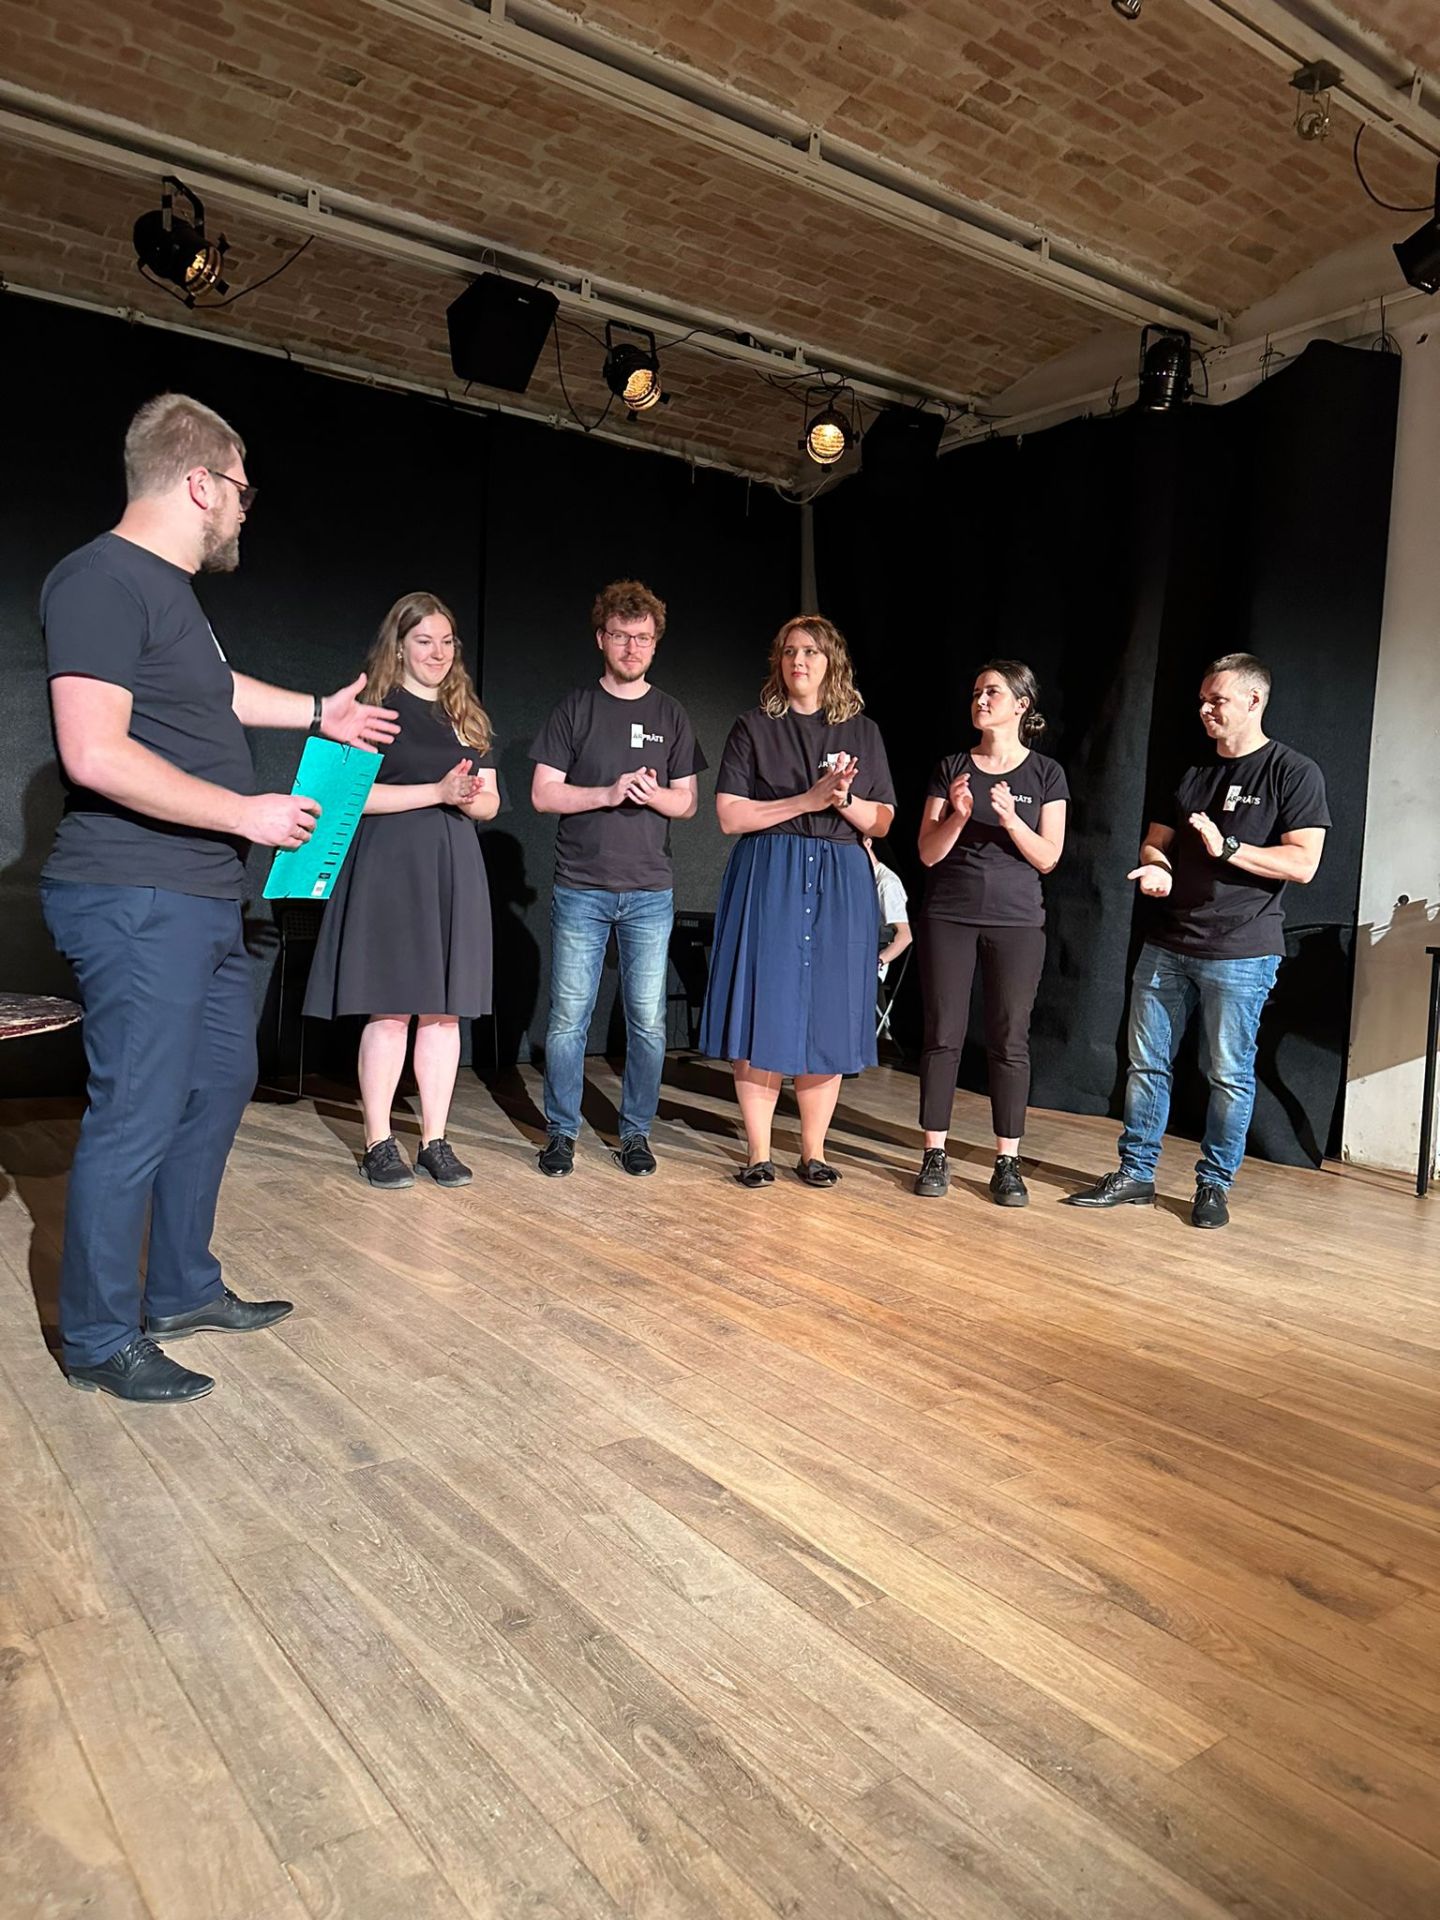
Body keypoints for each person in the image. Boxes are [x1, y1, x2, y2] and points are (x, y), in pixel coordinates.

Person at [39, 392, 398, 1405]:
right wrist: (245, 813)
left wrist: (321, 714)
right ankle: (99, 1337)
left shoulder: (170, 596)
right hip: (133, 892)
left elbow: (220, 690)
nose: (245, 508)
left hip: (199, 896)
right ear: (199, 482)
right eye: (241, 490)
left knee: (216, 1082)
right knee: (138, 1111)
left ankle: (181, 1289)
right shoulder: (100, 580)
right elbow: (93, 752)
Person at [1066, 652, 1329, 1228]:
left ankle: (1214, 1184)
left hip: (1242, 949)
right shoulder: (1189, 771)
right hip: (1168, 941)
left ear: (1254, 701)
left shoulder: (1292, 771)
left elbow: (1303, 863)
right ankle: (1136, 1173)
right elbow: (1155, 841)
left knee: (1228, 1074)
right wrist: (1157, 867)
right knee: (1145, 1065)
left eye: (1218, 700)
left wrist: (1228, 848)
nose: (1206, 710)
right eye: (1203, 700)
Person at [303, 592, 499, 1189]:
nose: (438, 653)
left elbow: (490, 801)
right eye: (424, 641)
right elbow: (348, 798)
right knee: (389, 1008)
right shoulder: (375, 711)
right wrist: (436, 792)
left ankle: (435, 1140)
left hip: (453, 867)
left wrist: (469, 798)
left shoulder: (466, 715)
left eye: (446, 642)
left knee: (443, 1013)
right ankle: (379, 1142)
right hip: (389, 866)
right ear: (399, 647)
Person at [700, 615, 896, 1186]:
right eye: (789, 652)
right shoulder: (754, 727)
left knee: (828, 1011)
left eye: (810, 651)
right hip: (772, 872)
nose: (798, 661)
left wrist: (842, 800)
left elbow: (882, 820)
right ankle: (758, 1153)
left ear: (832, 661)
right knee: (764, 1005)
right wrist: (807, 799)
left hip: (840, 877)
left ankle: (814, 1152)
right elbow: (730, 815)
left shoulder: (863, 732)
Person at [529, 581, 705, 1178]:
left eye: (643, 638)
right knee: (567, 1020)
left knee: (648, 1022)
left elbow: (688, 803)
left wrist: (653, 795)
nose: (633, 648)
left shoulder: (670, 713)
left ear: (656, 643)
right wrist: (606, 792)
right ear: (601, 638)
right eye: (622, 636)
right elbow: (542, 793)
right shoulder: (575, 709)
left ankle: (635, 1134)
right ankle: (561, 1132)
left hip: (650, 892)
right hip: (581, 886)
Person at [912, 661, 1068, 1206]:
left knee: (1009, 1039)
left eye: (992, 692)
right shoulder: (952, 767)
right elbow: (927, 852)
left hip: (1017, 921)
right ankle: (934, 1153)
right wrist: (957, 816)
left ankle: (1008, 1161)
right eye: (976, 691)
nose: (980, 700)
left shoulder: (1046, 774)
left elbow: (1048, 857)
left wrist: (1010, 819)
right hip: (949, 914)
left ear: (1021, 705)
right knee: (942, 1034)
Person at [865, 835, 912, 981]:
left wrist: (878, 962)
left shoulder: (886, 883)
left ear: (868, 843)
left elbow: (904, 936)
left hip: (870, 975)